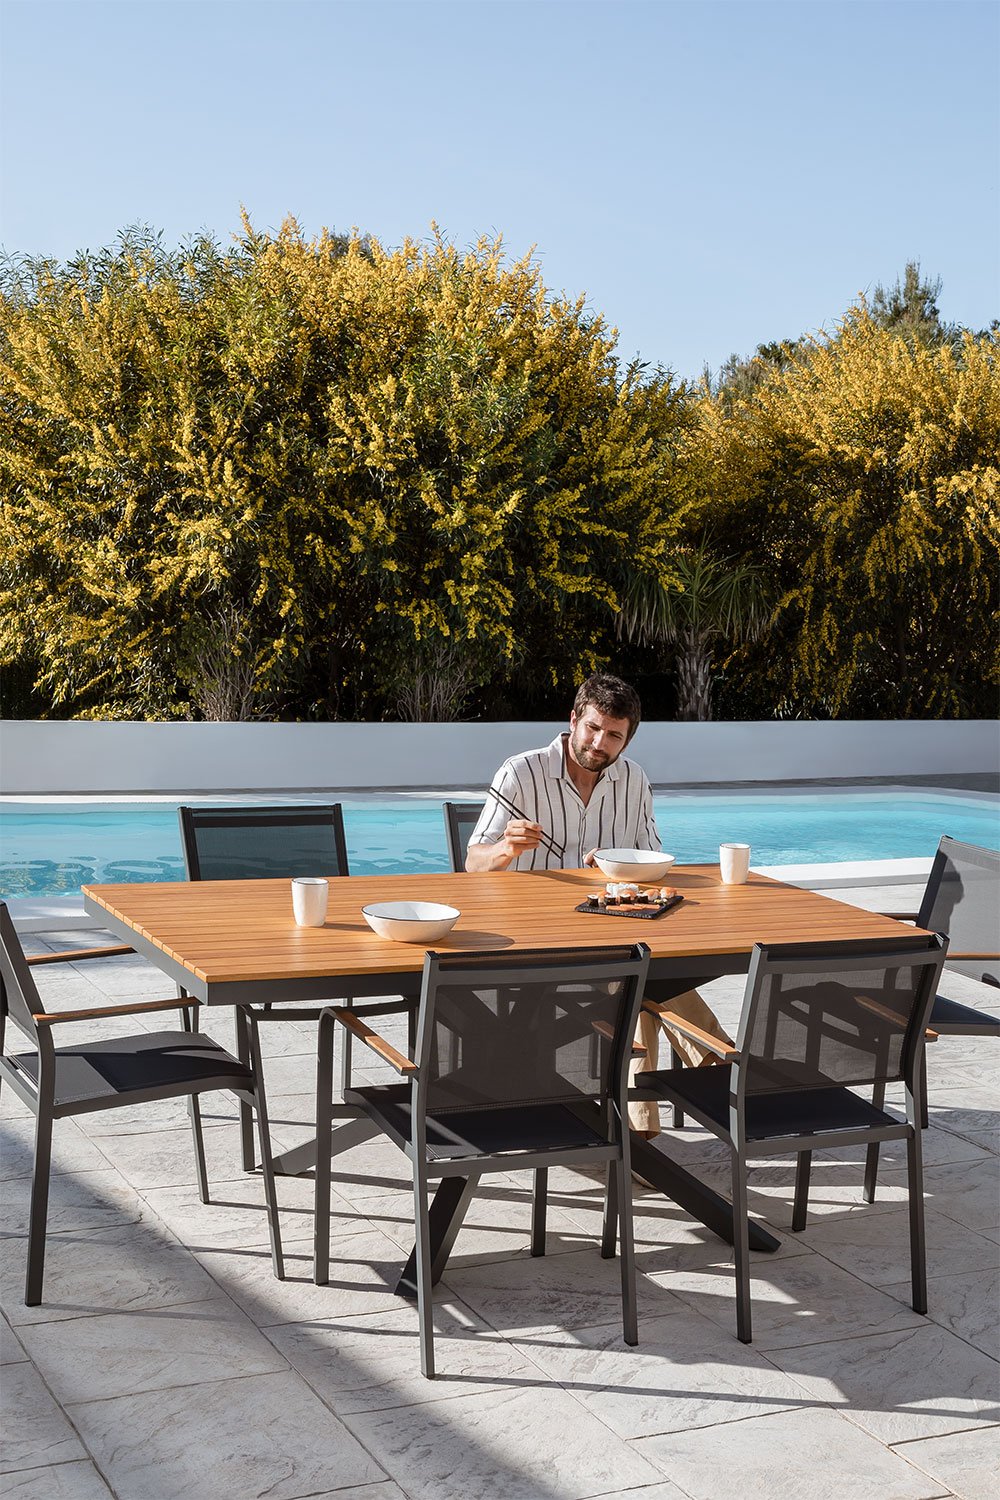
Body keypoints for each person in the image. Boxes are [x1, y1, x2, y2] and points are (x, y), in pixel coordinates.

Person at [466, 672, 732, 1136]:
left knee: (639, 968)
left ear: (627, 739)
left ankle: (652, 1123)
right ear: (574, 719)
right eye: (593, 727)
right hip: (535, 941)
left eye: (614, 735)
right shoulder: (521, 772)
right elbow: (472, 865)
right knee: (642, 975)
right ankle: (717, 1069)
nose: (599, 742)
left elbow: (654, 862)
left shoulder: (633, 780)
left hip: (612, 928)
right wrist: (506, 849)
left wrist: (615, 867)